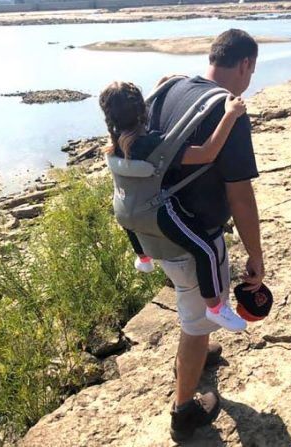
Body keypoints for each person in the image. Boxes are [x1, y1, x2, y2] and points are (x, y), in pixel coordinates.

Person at [146, 29, 265, 442]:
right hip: (193, 239)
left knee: (190, 304)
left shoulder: (170, 88)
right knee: (197, 320)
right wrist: (256, 255)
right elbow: (240, 195)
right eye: (253, 69)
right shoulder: (227, 111)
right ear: (245, 64)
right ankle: (184, 411)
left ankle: (202, 351)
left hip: (155, 228)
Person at [99, 80, 249, 334]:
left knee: (130, 218)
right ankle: (216, 308)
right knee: (206, 250)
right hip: (156, 213)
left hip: (125, 210)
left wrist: (164, 83)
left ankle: (143, 259)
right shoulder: (152, 145)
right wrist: (231, 114)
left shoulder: (115, 143)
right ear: (142, 112)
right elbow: (207, 153)